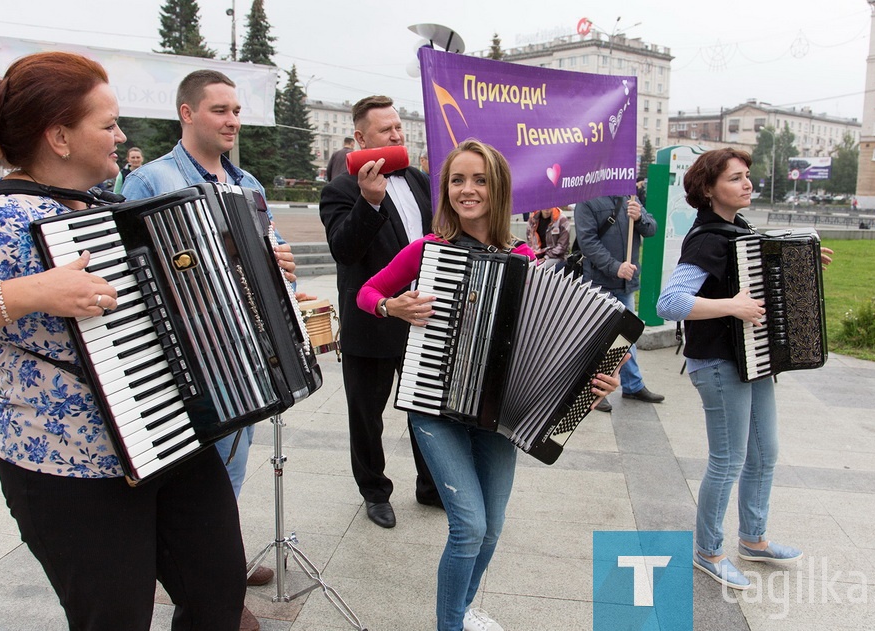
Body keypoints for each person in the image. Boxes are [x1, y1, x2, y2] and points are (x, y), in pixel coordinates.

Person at [0, 51, 245, 630]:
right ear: (59, 136)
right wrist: (33, 292)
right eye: (107, 125)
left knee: (218, 592)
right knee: (115, 619)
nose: (121, 135)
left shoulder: (113, 207)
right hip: (68, 468)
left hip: (171, 435)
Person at [357, 139, 622, 631]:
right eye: (457, 179)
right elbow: (367, 291)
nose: (467, 189)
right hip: (435, 405)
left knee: (492, 529)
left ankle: (459, 607)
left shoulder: (524, 258)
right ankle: (450, 625)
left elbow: (558, 340)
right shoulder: (428, 250)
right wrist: (391, 307)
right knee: (469, 527)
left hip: (499, 415)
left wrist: (595, 381)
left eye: (479, 179)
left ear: (497, 187)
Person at [121, 68, 300, 631]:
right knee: (198, 473)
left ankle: (219, 569)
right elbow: (130, 274)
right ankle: (207, 586)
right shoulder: (150, 181)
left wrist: (281, 271)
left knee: (235, 467)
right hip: (188, 357)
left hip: (244, 348)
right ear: (187, 113)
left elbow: (266, 268)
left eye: (236, 111)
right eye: (219, 110)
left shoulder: (250, 186)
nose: (232, 121)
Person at [656, 147, 833, 590]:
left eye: (746, 176)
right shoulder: (707, 239)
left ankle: (753, 539)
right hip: (717, 362)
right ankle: (708, 550)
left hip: (752, 359)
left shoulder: (739, 231)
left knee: (764, 452)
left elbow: (763, 283)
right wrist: (730, 306)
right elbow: (669, 302)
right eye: (735, 178)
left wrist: (804, 266)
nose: (747, 183)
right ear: (709, 190)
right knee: (728, 460)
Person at [319, 95, 440, 529]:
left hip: (422, 316)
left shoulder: (421, 180)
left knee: (427, 407)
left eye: (398, 127)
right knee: (366, 417)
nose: (396, 134)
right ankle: (374, 491)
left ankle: (431, 485)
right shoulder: (340, 190)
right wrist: (369, 202)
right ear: (361, 138)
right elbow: (344, 249)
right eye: (386, 129)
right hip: (371, 319)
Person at [574, 194, 664, 410]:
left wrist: (640, 216)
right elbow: (588, 242)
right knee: (597, 339)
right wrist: (616, 267)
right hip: (598, 282)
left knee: (627, 337)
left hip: (626, 284)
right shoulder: (587, 201)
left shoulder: (630, 196)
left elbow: (651, 229)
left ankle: (633, 385)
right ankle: (593, 390)